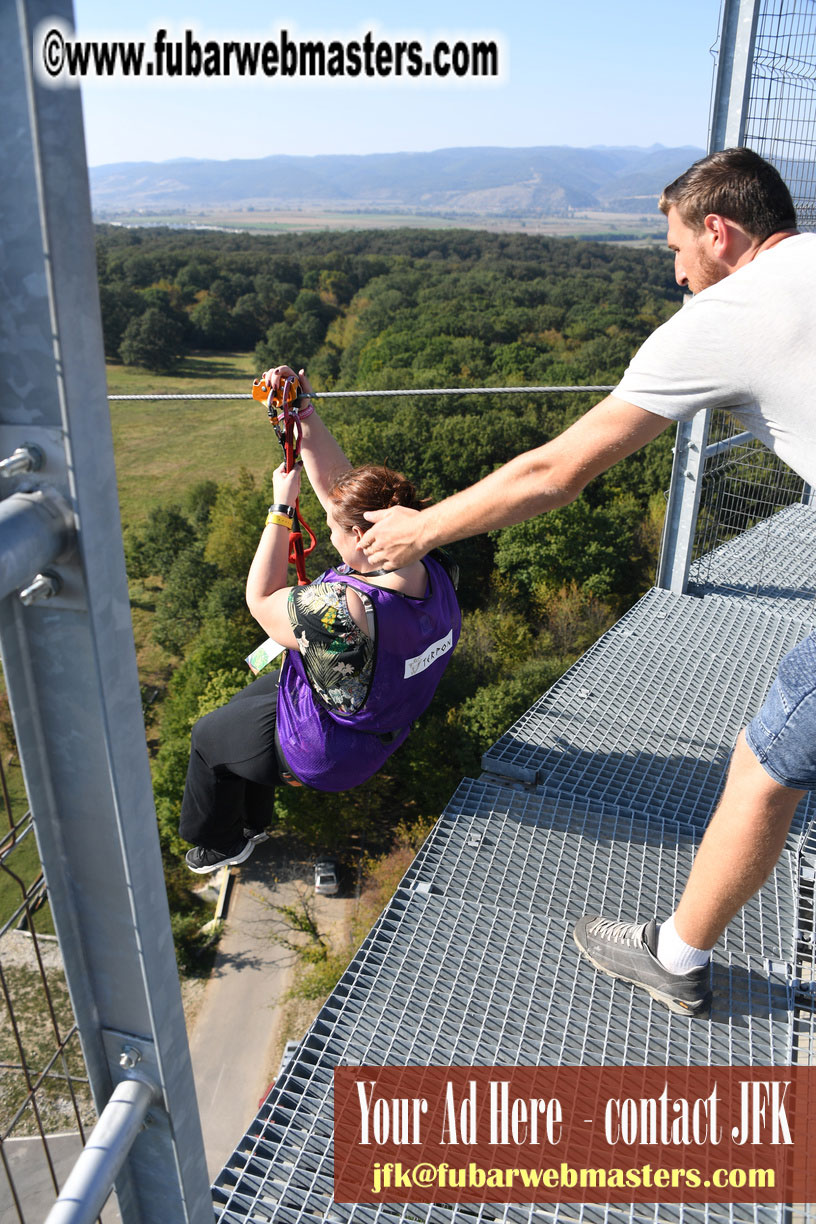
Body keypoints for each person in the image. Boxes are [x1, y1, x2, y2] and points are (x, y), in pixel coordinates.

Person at [360, 148, 816, 1018]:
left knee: (767, 763)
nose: (677, 270)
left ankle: (677, 958)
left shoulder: (727, 313)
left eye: (676, 247)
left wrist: (420, 529)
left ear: (719, 233)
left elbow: (554, 471)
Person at [180, 365, 461, 873]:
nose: (328, 524)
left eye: (334, 525)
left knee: (207, 738)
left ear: (360, 538)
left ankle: (221, 841)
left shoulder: (342, 612)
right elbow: (341, 492)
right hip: (379, 714)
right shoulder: (431, 566)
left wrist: (279, 510)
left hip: (328, 751)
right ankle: (252, 816)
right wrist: (302, 413)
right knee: (246, 708)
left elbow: (263, 600)